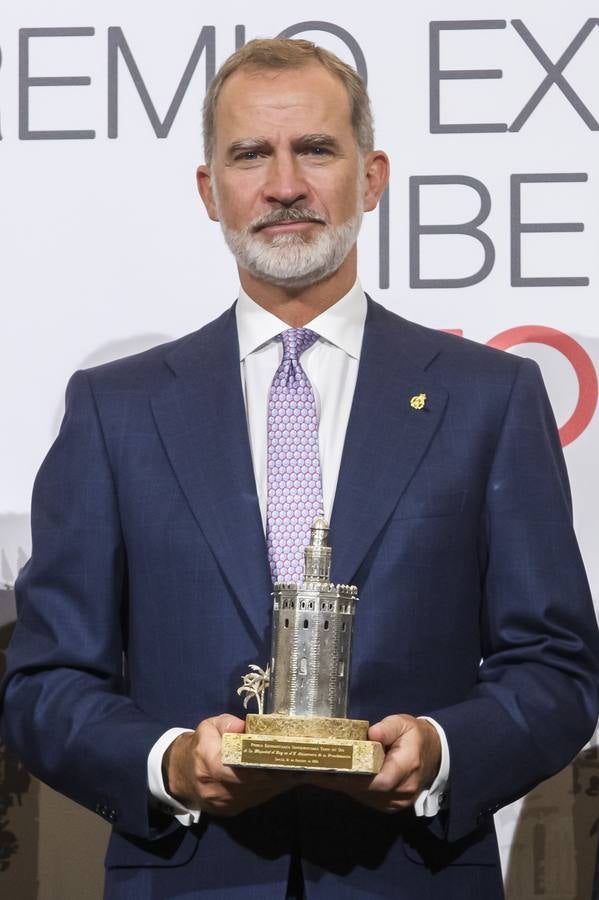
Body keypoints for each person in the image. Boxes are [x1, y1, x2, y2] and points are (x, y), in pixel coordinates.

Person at [2, 38, 598, 900]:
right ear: (210, 191)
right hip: (188, 879)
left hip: (409, 875)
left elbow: (554, 665)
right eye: (251, 154)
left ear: (373, 176)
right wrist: (170, 765)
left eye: (315, 149)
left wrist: (438, 749)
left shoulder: (489, 398)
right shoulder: (114, 411)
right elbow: (48, 682)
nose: (284, 185)